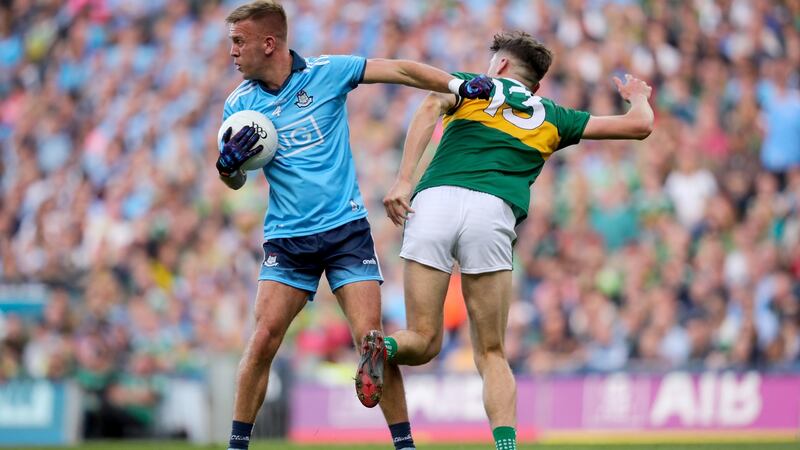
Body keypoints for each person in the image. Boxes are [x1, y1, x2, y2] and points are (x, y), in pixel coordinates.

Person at [214, 2, 493, 450]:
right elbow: (233, 179)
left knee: (372, 342)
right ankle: (237, 445)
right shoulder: (239, 104)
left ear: (269, 43)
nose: (232, 51)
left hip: (345, 231)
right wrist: (227, 168)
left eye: (238, 41)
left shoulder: (328, 72)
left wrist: (456, 82)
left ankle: (405, 444)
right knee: (263, 338)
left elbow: (400, 69)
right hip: (287, 239)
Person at [381, 31, 654, 450]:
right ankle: (506, 447)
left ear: (502, 66)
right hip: (493, 211)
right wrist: (637, 96)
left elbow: (430, 103)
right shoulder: (554, 114)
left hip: (433, 201)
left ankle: (382, 345)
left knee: (422, 339)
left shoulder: (472, 85)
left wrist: (403, 180)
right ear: (536, 85)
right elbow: (639, 127)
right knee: (491, 353)